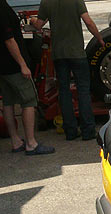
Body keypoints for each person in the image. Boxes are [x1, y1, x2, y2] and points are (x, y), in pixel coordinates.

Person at [30, 0, 104, 141]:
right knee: (83, 91)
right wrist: (99, 38)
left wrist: (33, 20)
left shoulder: (46, 2)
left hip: (59, 55)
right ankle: (88, 131)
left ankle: (70, 131)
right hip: (77, 53)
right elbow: (88, 22)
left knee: (63, 91)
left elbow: (39, 25)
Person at [0, 0, 54, 155]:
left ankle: (16, 142)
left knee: (8, 102)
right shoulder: (2, 9)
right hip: (13, 65)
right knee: (29, 100)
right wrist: (23, 64)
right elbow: (9, 40)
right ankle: (31, 143)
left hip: (3, 66)